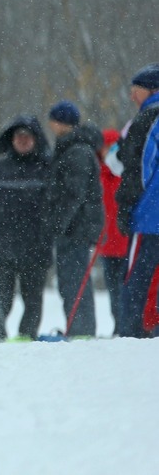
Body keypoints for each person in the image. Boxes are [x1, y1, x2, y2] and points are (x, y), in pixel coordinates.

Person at [0, 115, 50, 341]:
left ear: (36, 139)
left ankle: (27, 335)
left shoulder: (48, 169)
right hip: (1, 248)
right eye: (19, 136)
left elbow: (56, 205)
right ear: (11, 140)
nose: (23, 141)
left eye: (28, 136)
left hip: (36, 247)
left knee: (33, 297)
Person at [43, 101, 104, 338]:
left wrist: (58, 223)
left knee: (74, 279)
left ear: (61, 122)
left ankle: (81, 329)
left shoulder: (77, 150)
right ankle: (76, 326)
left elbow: (73, 193)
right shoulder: (72, 147)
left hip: (75, 228)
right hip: (74, 227)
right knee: (70, 279)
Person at [114, 63, 159, 338]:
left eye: (136, 90)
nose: (132, 96)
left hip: (149, 215)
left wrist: (126, 204)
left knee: (137, 277)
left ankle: (131, 335)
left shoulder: (148, 119)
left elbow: (139, 169)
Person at [96, 127, 127, 334]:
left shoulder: (125, 175)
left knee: (127, 289)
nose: (107, 151)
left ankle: (128, 326)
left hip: (125, 243)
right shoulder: (97, 175)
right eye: (104, 147)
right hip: (106, 245)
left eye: (111, 147)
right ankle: (118, 325)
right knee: (114, 290)